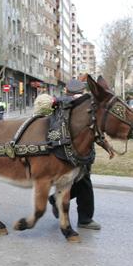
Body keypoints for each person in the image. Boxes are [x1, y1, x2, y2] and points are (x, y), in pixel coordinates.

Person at [48, 78, 101, 230]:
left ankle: (55, 200)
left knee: (74, 182)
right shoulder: (89, 104)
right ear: (82, 91)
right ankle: (85, 219)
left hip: (63, 149)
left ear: (66, 90)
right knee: (83, 182)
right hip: (82, 150)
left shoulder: (57, 102)